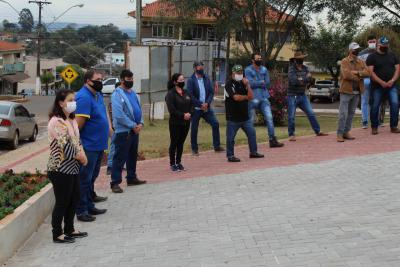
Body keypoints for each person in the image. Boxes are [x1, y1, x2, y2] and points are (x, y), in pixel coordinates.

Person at [47, 89, 88, 243]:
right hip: (59, 168)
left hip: (72, 167)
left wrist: (83, 155)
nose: (74, 103)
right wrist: (82, 157)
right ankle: (57, 233)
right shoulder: (56, 122)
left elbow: (77, 141)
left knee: (74, 198)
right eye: (70, 100)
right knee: (62, 201)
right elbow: (67, 147)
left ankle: (69, 229)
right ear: (61, 103)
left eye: (74, 99)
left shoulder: (70, 120)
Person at [75, 70, 109, 222]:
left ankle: (89, 205)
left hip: (99, 144)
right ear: (88, 81)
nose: (101, 82)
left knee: (92, 177)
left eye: (102, 79)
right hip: (88, 145)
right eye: (98, 79)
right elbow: (78, 125)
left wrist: (109, 128)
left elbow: (103, 113)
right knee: (84, 179)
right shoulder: (83, 97)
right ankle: (81, 210)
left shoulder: (98, 94)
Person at [110, 69, 146, 193]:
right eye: (128, 79)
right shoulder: (117, 94)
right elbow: (119, 115)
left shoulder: (134, 93)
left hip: (135, 130)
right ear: (122, 79)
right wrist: (132, 125)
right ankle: (115, 182)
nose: (130, 81)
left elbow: (139, 110)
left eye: (131, 79)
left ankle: (131, 177)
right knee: (119, 157)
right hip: (123, 132)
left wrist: (140, 123)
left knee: (132, 155)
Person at [225, 65, 264, 162]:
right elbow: (236, 97)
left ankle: (253, 152)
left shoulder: (243, 82)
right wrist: (245, 97)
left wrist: (248, 85)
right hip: (233, 117)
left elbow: (251, 96)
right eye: (238, 72)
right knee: (230, 137)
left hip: (244, 116)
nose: (240, 74)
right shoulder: (229, 84)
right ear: (233, 73)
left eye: (241, 72)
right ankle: (230, 155)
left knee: (252, 133)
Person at [245, 53, 284, 148]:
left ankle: (272, 140)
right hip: (253, 97)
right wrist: (260, 82)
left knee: (269, 118)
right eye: (257, 58)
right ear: (252, 60)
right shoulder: (248, 70)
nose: (260, 60)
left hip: (264, 97)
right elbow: (249, 83)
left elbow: (267, 83)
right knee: (250, 121)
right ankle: (251, 141)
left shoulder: (264, 69)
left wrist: (257, 83)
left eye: (260, 58)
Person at [287, 51, 328, 141]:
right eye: (299, 58)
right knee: (291, 116)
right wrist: (305, 78)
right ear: (295, 60)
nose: (301, 59)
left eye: (302, 58)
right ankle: (291, 134)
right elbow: (294, 82)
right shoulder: (291, 69)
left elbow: (311, 80)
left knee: (311, 113)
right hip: (292, 95)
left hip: (302, 95)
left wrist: (302, 79)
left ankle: (318, 131)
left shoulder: (305, 68)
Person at [187, 61, 224, 156]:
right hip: (196, 109)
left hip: (206, 108)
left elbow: (211, 92)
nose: (201, 70)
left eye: (202, 68)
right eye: (199, 68)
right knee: (194, 129)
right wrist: (200, 104)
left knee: (215, 124)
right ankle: (194, 149)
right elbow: (190, 95)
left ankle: (217, 146)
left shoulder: (206, 78)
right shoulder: (191, 80)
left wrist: (207, 103)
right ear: (195, 68)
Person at [337, 42, 370, 142]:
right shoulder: (344, 61)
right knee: (343, 114)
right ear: (350, 50)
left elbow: (368, 73)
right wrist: (360, 76)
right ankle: (339, 134)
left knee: (351, 113)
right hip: (346, 91)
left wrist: (357, 73)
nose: (357, 51)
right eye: (355, 49)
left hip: (357, 92)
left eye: (358, 49)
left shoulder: (361, 61)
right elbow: (346, 75)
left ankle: (346, 132)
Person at [366, 36, 400, 135]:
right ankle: (374, 127)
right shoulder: (371, 57)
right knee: (375, 106)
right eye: (383, 45)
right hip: (377, 86)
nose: (385, 46)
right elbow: (370, 72)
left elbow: (398, 69)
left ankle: (394, 126)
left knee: (395, 104)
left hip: (391, 85)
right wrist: (381, 82)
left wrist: (392, 80)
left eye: (386, 45)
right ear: (378, 45)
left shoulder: (393, 55)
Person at [165, 73, 193, 171]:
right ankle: (172, 163)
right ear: (175, 82)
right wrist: (183, 115)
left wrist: (189, 113)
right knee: (174, 142)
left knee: (181, 143)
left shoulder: (186, 92)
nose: (182, 82)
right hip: (175, 123)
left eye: (183, 80)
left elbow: (191, 104)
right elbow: (172, 109)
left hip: (186, 123)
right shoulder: (170, 94)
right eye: (180, 80)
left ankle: (179, 162)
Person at [358, 35, 377, 129]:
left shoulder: (380, 52)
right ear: (367, 42)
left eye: (373, 41)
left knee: (376, 101)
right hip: (365, 80)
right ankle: (365, 121)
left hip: (377, 80)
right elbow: (358, 67)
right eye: (370, 42)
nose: (372, 43)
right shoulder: (361, 53)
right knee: (365, 101)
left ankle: (377, 120)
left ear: (376, 41)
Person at [106, 81, 121, 175]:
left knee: (121, 147)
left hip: (122, 128)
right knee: (113, 146)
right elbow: (111, 116)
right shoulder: (113, 101)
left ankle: (119, 165)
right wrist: (111, 127)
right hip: (115, 128)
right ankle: (110, 166)